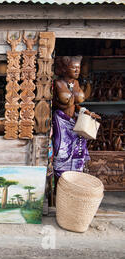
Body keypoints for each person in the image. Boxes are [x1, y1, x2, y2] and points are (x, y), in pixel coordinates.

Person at [52, 56, 100, 184]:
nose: (77, 70)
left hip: (74, 121)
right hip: (61, 121)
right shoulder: (56, 83)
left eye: (78, 68)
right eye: (74, 68)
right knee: (61, 151)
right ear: (64, 69)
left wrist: (86, 112)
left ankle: (73, 183)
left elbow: (75, 104)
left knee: (77, 152)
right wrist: (65, 105)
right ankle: (59, 183)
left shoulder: (77, 83)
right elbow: (52, 103)